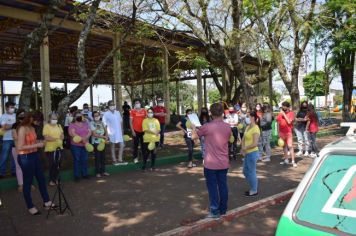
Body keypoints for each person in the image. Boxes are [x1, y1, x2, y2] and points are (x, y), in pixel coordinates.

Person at [191, 103, 231, 218]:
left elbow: (194, 137)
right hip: (223, 162)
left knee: (213, 187)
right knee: (223, 185)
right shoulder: (227, 127)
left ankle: (214, 211)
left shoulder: (207, 126)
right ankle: (223, 209)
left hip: (211, 164)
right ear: (222, 112)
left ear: (210, 113)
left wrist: (194, 128)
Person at [16, 112, 54, 215]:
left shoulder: (32, 128)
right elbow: (20, 147)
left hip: (35, 155)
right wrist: (38, 145)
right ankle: (30, 206)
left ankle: (47, 201)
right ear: (31, 118)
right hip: (25, 157)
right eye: (37, 120)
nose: (38, 122)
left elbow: (32, 141)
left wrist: (41, 141)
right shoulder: (22, 128)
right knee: (27, 182)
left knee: (41, 179)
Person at [241, 111, 261, 196]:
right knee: (245, 171)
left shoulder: (256, 128)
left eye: (248, 117)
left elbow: (255, 143)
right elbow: (244, 139)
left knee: (251, 171)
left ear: (253, 118)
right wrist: (242, 147)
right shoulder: (248, 127)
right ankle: (254, 185)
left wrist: (245, 148)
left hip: (253, 153)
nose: (247, 118)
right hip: (247, 152)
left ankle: (254, 190)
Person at [68, 111, 91, 181]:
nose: (79, 117)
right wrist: (81, 139)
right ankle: (77, 176)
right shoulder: (72, 125)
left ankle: (85, 174)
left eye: (80, 116)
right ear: (74, 117)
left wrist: (85, 138)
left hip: (85, 144)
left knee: (85, 159)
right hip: (76, 145)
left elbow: (89, 132)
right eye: (77, 116)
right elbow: (72, 134)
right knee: (77, 160)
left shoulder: (86, 124)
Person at [43, 113, 64, 186]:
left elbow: (62, 135)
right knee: (52, 164)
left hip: (59, 148)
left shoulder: (59, 125)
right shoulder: (46, 126)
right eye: (53, 118)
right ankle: (51, 180)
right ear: (49, 119)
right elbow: (46, 137)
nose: (54, 120)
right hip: (50, 149)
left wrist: (61, 137)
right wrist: (56, 139)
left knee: (58, 164)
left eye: (56, 119)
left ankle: (56, 179)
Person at [102, 100, 126, 165]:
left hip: (119, 132)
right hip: (111, 132)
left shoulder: (117, 112)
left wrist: (122, 131)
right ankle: (114, 160)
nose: (112, 106)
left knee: (122, 145)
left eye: (113, 104)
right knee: (112, 146)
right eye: (111, 105)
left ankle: (120, 159)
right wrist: (106, 133)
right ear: (108, 106)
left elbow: (121, 122)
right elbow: (104, 124)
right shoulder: (106, 114)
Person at [277, 101, 297, 167]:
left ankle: (293, 161)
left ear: (288, 107)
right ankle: (286, 159)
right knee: (284, 146)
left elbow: (289, 122)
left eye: (284, 106)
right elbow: (278, 123)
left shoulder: (291, 113)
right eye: (282, 106)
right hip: (282, 132)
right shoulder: (280, 114)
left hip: (288, 132)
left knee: (290, 146)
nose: (283, 107)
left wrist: (284, 115)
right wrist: (278, 132)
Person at [0, 101, 16, 178]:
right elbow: (5, 127)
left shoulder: (16, 115)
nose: (12, 108)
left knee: (14, 156)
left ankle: (14, 172)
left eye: (13, 107)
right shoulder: (3, 116)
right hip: (7, 139)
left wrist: (10, 125)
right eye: (11, 107)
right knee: (4, 156)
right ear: (6, 108)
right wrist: (14, 125)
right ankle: (1, 173)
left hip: (16, 139)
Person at [91, 111, 110, 177]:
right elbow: (94, 134)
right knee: (97, 157)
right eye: (95, 116)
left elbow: (106, 130)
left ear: (100, 116)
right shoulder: (91, 123)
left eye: (98, 115)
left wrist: (107, 136)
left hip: (103, 142)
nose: (96, 117)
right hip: (96, 142)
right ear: (93, 117)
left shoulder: (102, 122)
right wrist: (104, 137)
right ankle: (97, 172)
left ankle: (103, 171)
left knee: (103, 157)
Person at [11, 109, 25, 192]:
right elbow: (15, 138)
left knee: (27, 167)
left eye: (24, 115)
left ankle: (28, 183)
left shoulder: (28, 125)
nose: (23, 117)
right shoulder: (15, 125)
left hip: (27, 148)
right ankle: (21, 184)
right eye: (21, 115)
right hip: (17, 148)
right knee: (18, 166)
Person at [130, 98, 147, 164]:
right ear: (134, 104)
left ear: (140, 103)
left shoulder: (144, 110)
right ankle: (135, 158)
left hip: (143, 131)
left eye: (138, 103)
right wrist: (132, 131)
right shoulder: (132, 111)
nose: (137, 104)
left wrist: (146, 130)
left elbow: (146, 120)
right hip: (135, 131)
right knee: (135, 145)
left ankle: (144, 157)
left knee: (143, 145)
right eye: (136, 103)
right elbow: (130, 122)